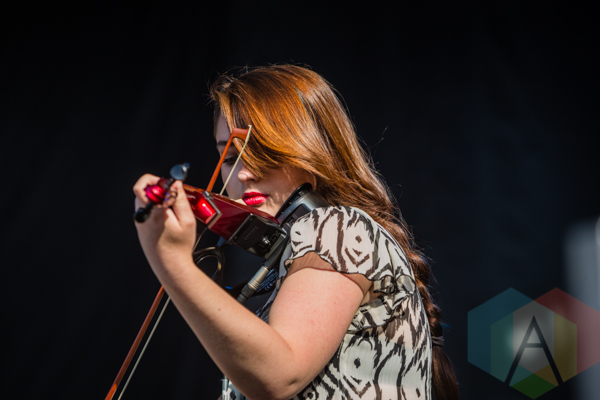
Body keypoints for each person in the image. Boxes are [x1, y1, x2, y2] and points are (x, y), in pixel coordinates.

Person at [133, 65, 459, 400]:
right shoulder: (317, 243)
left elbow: (279, 375)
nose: (243, 173)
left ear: (314, 150)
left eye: (264, 152)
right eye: (230, 158)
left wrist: (173, 262)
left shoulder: (338, 226)